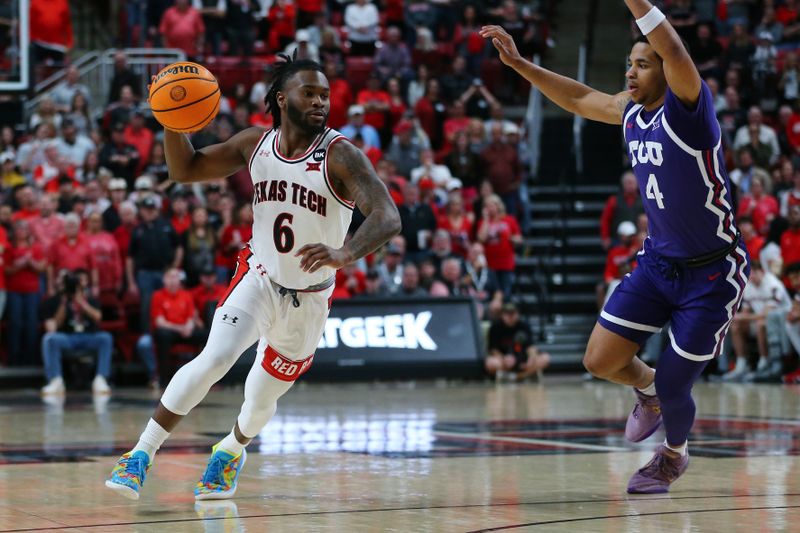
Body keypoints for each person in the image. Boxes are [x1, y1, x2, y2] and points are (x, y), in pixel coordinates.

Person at [481, 1, 749, 494]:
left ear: (667, 71)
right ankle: (646, 391)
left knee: (676, 385)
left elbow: (673, 46)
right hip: (659, 263)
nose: (630, 70)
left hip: (712, 272)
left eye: (642, 63)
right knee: (600, 361)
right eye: (629, 62)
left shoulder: (690, 112)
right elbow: (581, 97)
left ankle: (673, 454)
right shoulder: (630, 114)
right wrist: (520, 65)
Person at [107, 54, 401, 501]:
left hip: (309, 297)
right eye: (310, 92)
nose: (321, 101)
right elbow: (183, 170)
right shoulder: (255, 144)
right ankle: (140, 455)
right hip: (259, 276)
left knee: (259, 400)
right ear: (283, 99)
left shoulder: (341, 155)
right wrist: (171, 119)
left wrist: (346, 252)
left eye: (325, 93)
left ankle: (231, 448)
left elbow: (387, 215)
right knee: (214, 359)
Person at [40, 270, 113, 396]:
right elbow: (55, 326)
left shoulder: (90, 299)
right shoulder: (59, 300)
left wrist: (81, 302)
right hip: (68, 337)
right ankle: (55, 380)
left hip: (88, 336)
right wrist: (64, 302)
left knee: (106, 338)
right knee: (50, 339)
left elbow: (98, 317)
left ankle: (101, 379)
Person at [485, 302, 551, 382]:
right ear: (502, 315)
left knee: (545, 358)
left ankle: (518, 376)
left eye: (513, 313)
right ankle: (523, 375)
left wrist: (531, 359)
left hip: (523, 361)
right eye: (507, 314)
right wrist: (503, 359)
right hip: (504, 362)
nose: (510, 316)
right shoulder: (495, 328)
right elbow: (493, 349)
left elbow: (531, 347)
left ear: (518, 314)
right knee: (490, 363)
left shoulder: (524, 326)